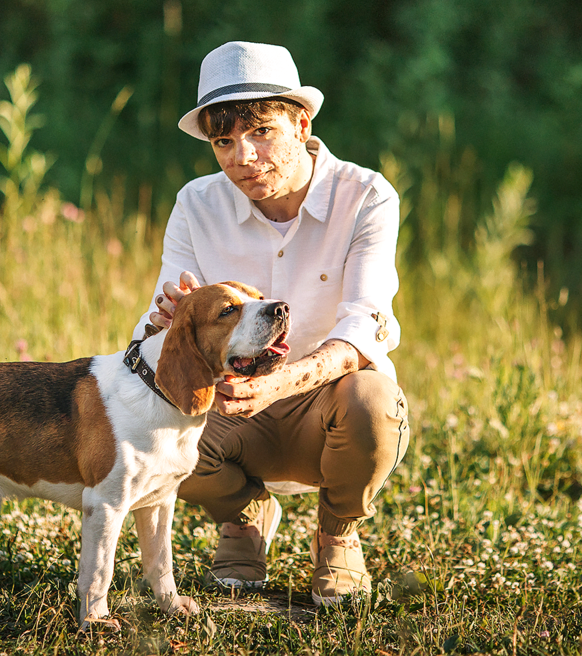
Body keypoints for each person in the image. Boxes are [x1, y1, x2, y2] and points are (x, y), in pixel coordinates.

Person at [133, 41, 409, 606]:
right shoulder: (195, 204)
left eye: (261, 133)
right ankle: (242, 516)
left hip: (327, 405)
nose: (242, 157)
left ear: (300, 121)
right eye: (224, 141)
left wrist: (280, 382)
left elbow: (365, 326)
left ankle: (337, 534)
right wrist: (163, 321)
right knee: (155, 407)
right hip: (231, 407)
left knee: (373, 400)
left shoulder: (366, 195)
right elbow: (163, 333)